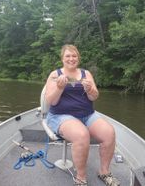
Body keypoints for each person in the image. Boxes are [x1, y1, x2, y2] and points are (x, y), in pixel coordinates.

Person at [45, 44, 120, 186]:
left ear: (78, 58)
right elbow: (51, 101)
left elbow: (94, 97)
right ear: (62, 58)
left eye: (74, 56)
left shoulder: (87, 74)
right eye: (68, 56)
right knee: (81, 134)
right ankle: (81, 178)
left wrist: (90, 89)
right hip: (60, 115)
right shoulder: (55, 75)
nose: (71, 59)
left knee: (109, 133)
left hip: (87, 114)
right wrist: (60, 88)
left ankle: (104, 172)